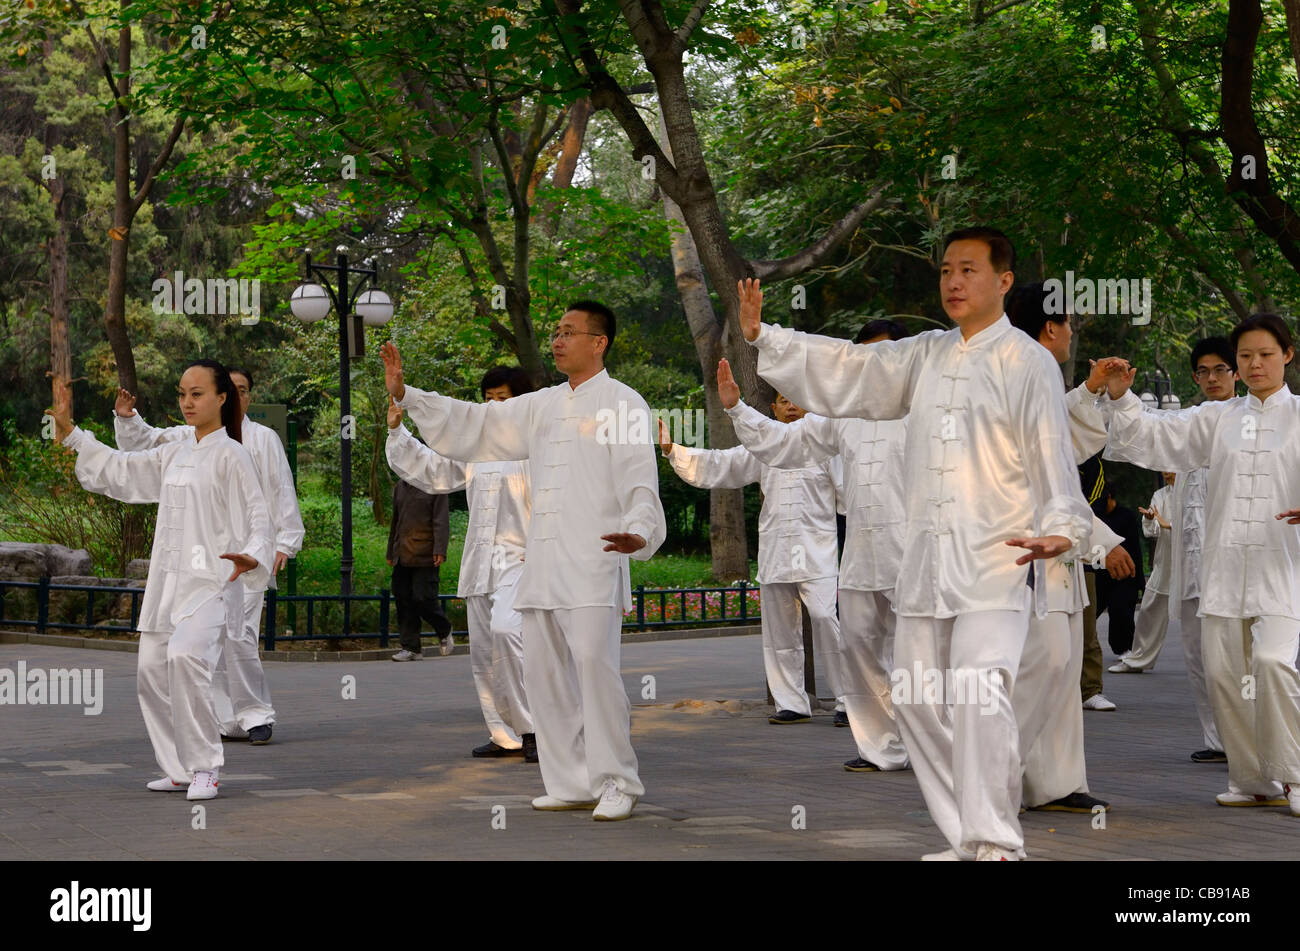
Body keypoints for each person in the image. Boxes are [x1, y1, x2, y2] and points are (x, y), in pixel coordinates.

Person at [740, 227, 1094, 861]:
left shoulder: (1028, 361)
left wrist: (1064, 524)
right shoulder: (923, 354)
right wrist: (769, 338)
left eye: (969, 270)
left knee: (982, 693)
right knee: (920, 704)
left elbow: (1051, 450)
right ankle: (967, 837)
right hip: (924, 564)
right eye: (946, 272)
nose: (954, 282)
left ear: (1003, 281)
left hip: (997, 560)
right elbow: (853, 369)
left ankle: (996, 842)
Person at [380, 300, 666, 822]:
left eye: (569, 332)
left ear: (599, 342)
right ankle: (570, 781)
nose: (557, 340)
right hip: (543, 565)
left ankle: (616, 781)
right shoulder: (541, 404)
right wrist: (410, 395)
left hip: (596, 560)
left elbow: (640, 481)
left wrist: (641, 532)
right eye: (555, 332)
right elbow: (477, 423)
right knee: (545, 676)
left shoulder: (624, 404)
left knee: (596, 674)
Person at [1098, 313, 1300, 816]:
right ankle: (1252, 779)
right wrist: (1122, 397)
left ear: (1287, 356)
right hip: (1224, 568)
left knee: (1274, 664)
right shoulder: (1218, 418)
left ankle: (1294, 776)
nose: (1255, 365)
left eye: (1265, 355)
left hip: (1284, 569)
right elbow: (1156, 437)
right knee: (1226, 674)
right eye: (1246, 357)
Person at [48, 362, 272, 800]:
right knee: (151, 671)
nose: (188, 402)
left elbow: (258, 514)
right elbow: (123, 469)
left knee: (187, 659)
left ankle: (206, 766)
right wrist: (73, 433)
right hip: (166, 583)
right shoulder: (175, 449)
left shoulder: (234, 454)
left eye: (198, 394)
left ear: (222, 398)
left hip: (211, 580)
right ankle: (178, 768)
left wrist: (255, 553)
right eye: (183, 394)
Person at [719, 319, 910, 771]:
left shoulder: (927, 409)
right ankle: (880, 747)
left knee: (918, 657)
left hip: (914, 554)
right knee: (863, 653)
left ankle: (933, 743)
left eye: (884, 352)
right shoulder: (840, 417)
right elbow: (784, 445)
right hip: (863, 558)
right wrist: (737, 410)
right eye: (866, 354)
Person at [113, 367, 304, 745]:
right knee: (202, 644)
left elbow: (280, 490)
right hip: (200, 562)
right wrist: (127, 418)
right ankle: (223, 717)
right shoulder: (190, 437)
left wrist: (284, 542)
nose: (238, 396)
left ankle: (255, 714)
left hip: (244, 558)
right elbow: (149, 445)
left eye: (243, 390)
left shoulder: (262, 440)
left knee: (240, 636)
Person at [1006, 282, 1131, 813]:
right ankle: (992, 772)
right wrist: (1103, 542)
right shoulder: (1017, 371)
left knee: (1061, 666)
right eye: (1070, 323)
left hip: (1058, 548)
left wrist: (1091, 388)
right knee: (1043, 662)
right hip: (1027, 546)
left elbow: (1064, 447)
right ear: (1051, 327)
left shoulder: (1037, 372)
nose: (1073, 332)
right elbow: (1038, 471)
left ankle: (1055, 782)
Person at [660, 387, 846, 727]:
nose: (791, 406)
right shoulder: (763, 450)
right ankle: (791, 702)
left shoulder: (825, 445)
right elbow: (722, 464)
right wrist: (675, 451)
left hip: (816, 552)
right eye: (784, 401)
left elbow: (849, 493)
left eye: (797, 399)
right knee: (779, 633)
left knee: (825, 620)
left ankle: (849, 701)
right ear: (773, 409)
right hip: (775, 550)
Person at [386, 366, 537, 762]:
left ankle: (534, 728)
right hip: (480, 562)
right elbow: (434, 471)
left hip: (523, 559)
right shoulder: (476, 450)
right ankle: (505, 735)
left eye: (502, 400)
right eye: (488, 400)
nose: (493, 408)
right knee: (484, 653)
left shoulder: (537, 446)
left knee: (509, 633)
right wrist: (398, 433)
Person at [1110, 337, 1235, 764]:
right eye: (1203, 371)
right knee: (1200, 660)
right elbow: (1146, 432)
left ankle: (1255, 744)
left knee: (1246, 661)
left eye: (1221, 369)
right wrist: (1120, 395)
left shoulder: (1249, 422)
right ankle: (1218, 739)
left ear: (1236, 372)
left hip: (1236, 568)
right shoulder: (1192, 422)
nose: (1212, 378)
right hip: (1190, 568)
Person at [1109, 473, 1176, 673]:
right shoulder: (1160, 494)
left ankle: (1214, 665)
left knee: (1199, 614)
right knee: (1150, 608)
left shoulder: (1195, 492)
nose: (1166, 471)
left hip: (1193, 562)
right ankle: (1138, 659)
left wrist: (1170, 525)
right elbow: (1153, 531)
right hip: (1166, 562)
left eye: (1170, 466)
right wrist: (1150, 519)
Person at [386, 475, 453, 660]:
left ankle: (444, 628)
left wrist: (440, 548)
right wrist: (390, 551)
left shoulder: (435, 484)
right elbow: (395, 521)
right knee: (403, 598)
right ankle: (411, 647)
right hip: (402, 552)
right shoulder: (401, 485)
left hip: (426, 552)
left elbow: (441, 520)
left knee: (423, 597)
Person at [1092, 487, 1145, 657]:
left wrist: (1139, 583)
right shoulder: (1094, 517)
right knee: (1086, 613)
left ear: (1108, 497)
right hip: (1098, 574)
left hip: (1124, 576)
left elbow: (1135, 551)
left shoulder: (1126, 516)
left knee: (1121, 611)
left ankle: (1125, 650)